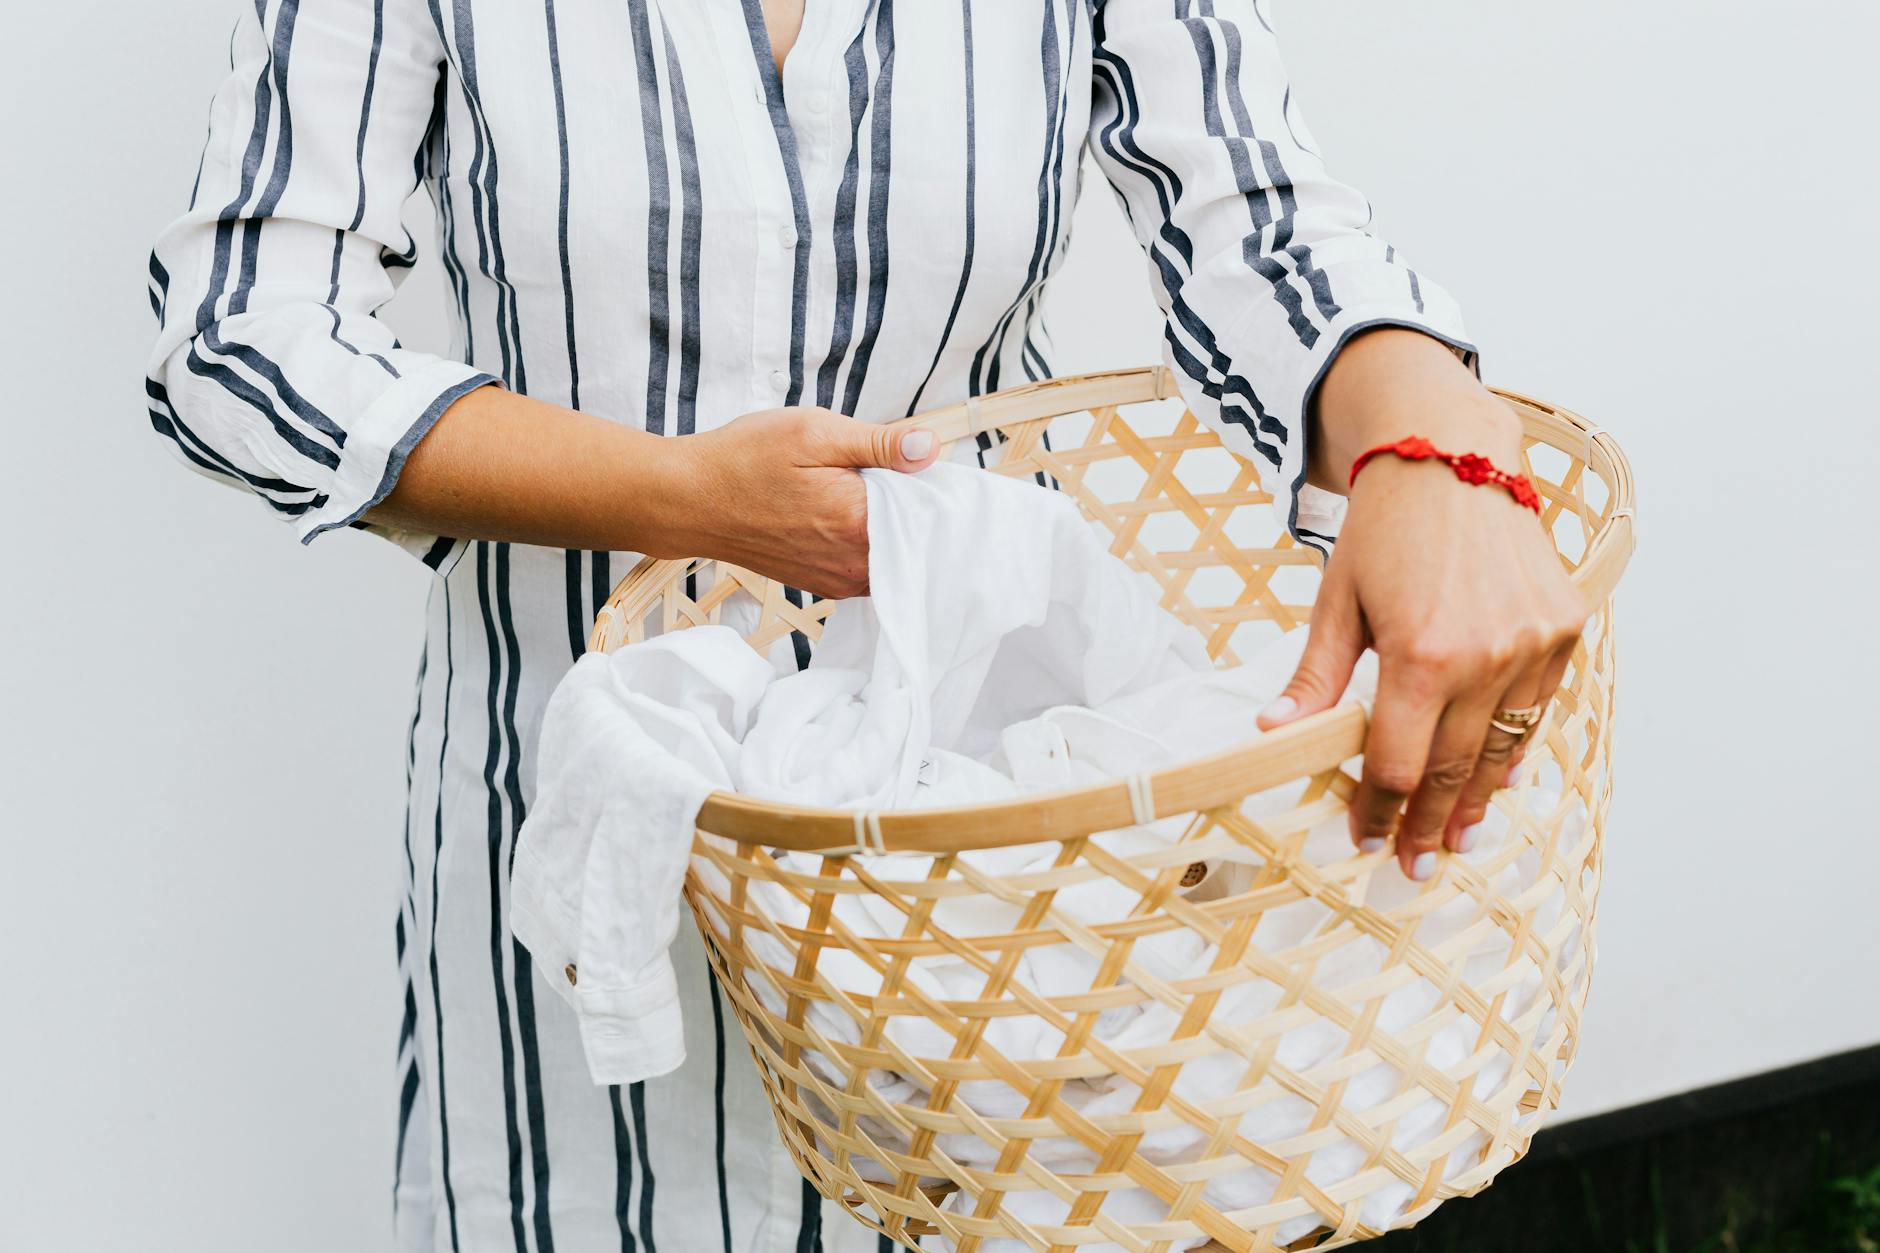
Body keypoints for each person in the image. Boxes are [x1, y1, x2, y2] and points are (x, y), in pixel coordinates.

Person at [144, 0, 1589, 1247]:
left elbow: (1256, 216)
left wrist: (1430, 444)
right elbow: (242, 336)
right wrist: (682, 495)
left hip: (995, 870)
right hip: (592, 835)